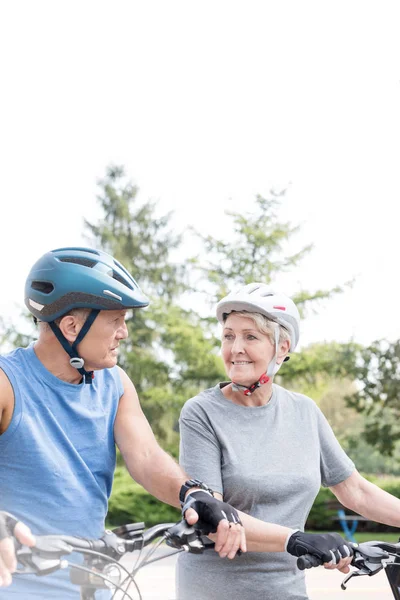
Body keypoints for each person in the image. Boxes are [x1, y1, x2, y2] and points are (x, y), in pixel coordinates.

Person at [0, 247, 245, 599]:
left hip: (92, 585)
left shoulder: (114, 383)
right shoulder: (7, 382)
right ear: (71, 326)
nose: (124, 333)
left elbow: (145, 456)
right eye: (116, 320)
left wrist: (193, 494)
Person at [177, 282, 400, 600]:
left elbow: (355, 491)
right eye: (229, 336)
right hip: (216, 590)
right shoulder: (201, 413)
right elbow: (211, 514)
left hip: (286, 589)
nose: (235, 348)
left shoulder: (304, 412)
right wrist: (298, 538)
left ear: (282, 347)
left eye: (250, 336)